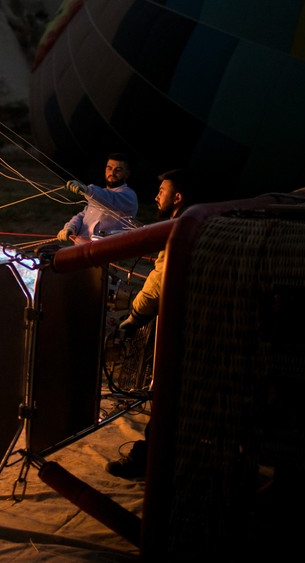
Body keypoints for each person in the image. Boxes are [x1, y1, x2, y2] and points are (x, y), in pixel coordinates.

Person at [107, 168, 203, 479]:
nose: (156, 195)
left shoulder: (182, 227)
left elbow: (160, 280)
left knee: (168, 391)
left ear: (177, 197)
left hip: (186, 325)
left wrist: (133, 317)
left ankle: (151, 460)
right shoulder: (202, 218)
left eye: (162, 190)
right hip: (203, 320)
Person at [57, 153, 138, 243]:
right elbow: (82, 216)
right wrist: (70, 227)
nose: (112, 173)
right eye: (109, 168)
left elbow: (110, 199)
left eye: (118, 170)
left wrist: (87, 190)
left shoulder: (129, 196)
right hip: (81, 248)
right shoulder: (98, 195)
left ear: (127, 173)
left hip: (106, 250)